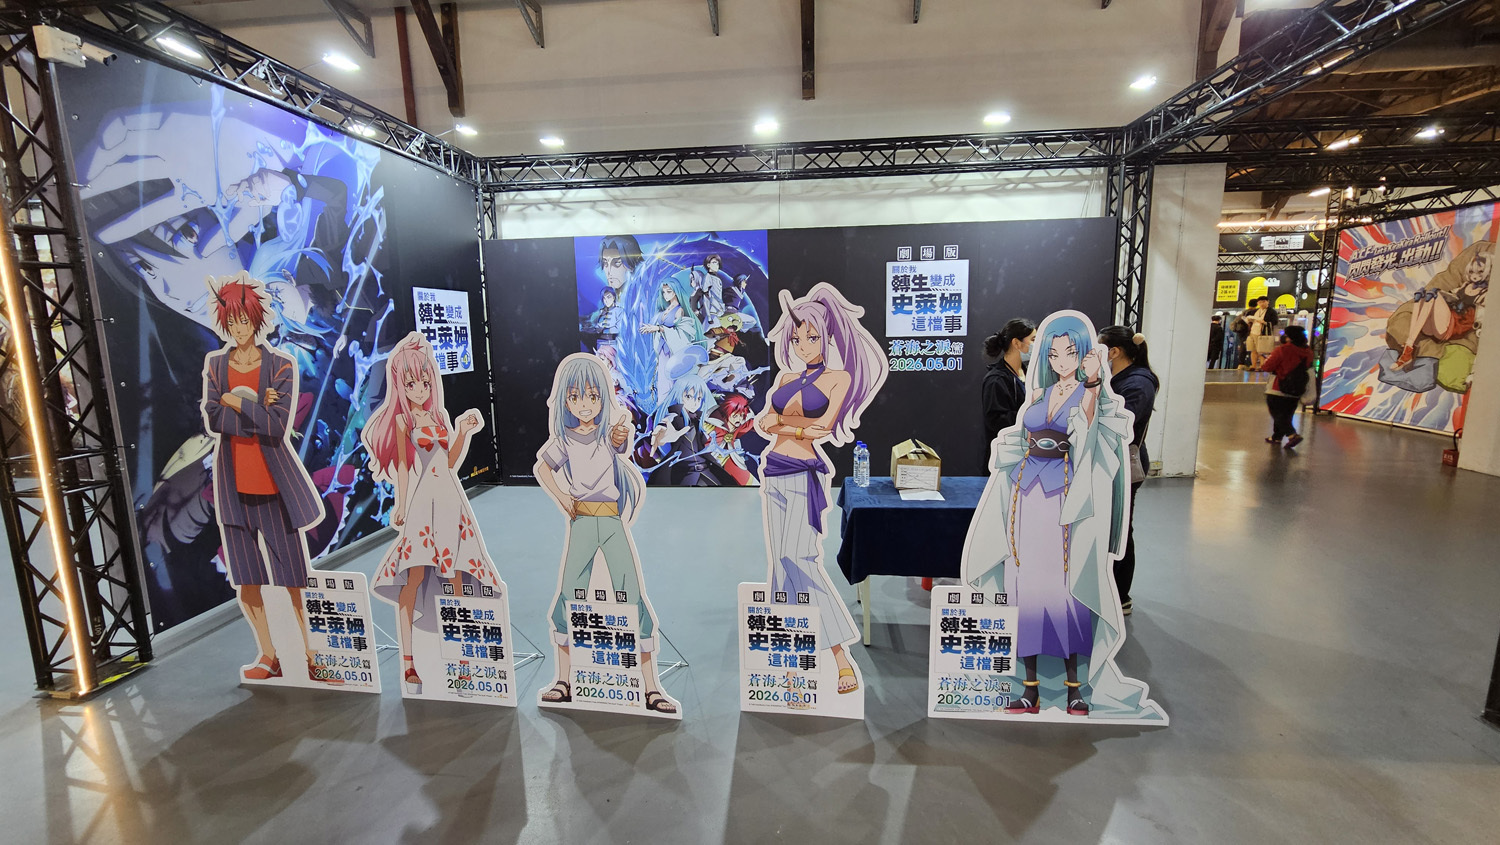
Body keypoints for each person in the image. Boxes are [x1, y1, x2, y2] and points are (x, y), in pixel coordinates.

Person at [962, 313, 1136, 718]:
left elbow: (1088, 433)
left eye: (1069, 353)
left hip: (1064, 496)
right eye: (1054, 354)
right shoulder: (1039, 394)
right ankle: (1030, 688)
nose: (1060, 361)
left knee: (1064, 586)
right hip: (1026, 493)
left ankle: (1075, 688)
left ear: (1083, 354)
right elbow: (1022, 434)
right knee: (1024, 585)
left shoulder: (1090, 393)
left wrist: (1093, 383)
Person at [199, 273, 336, 685]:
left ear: (257, 319)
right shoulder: (216, 365)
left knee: (293, 579)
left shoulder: (280, 364)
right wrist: (250, 408)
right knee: (247, 580)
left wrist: (235, 401)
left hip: (275, 490)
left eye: (245, 320)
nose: (239, 328)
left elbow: (277, 426)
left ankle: (313, 654)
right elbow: (213, 418)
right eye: (232, 321)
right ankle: (268, 654)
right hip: (234, 490)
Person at [757, 283, 887, 698]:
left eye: (811, 337)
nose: (803, 345)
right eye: (797, 339)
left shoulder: (838, 378)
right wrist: (788, 425)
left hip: (803, 473)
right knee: (780, 565)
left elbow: (821, 428)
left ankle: (839, 654)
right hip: (773, 472)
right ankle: (789, 654)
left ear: (827, 336)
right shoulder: (785, 377)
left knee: (799, 558)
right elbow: (762, 422)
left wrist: (784, 425)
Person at [534, 353, 677, 714]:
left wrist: (620, 434)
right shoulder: (565, 439)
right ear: (566, 401)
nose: (584, 404)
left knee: (631, 595)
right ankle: (564, 680)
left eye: (592, 396)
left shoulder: (607, 435)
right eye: (575, 397)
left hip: (611, 521)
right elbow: (543, 468)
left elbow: (619, 444)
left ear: (602, 397)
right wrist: (563, 497)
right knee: (569, 594)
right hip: (582, 520)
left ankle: (650, 687)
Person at [363, 333, 498, 695]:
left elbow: (449, 462)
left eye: (424, 381)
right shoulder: (403, 421)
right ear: (400, 385)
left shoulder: (439, 415)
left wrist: (463, 432)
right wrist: (401, 503)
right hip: (424, 503)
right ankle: (410, 663)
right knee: (414, 576)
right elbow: (403, 468)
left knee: (458, 577)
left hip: (449, 499)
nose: (419, 389)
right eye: (411, 383)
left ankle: (462, 660)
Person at [1098, 327, 1158, 618]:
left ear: (1114, 352)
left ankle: (1120, 594)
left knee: (1119, 529)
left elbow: (1123, 427)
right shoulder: (1119, 378)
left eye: (1100, 348)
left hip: (1123, 464)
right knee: (1107, 526)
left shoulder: (1138, 383)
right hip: (1109, 462)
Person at [981, 318, 1037, 462]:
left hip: (1029, 455)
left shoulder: (1030, 374)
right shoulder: (996, 380)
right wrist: (1031, 413)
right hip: (1006, 459)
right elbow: (997, 422)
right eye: (1033, 340)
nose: (1037, 345)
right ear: (1016, 343)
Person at [1261, 325, 1314, 448]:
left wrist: (1265, 360)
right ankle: (1277, 437)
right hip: (1297, 387)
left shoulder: (1283, 349)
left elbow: (1267, 367)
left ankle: (1292, 435)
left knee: (1277, 413)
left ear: (1289, 337)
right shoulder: (1308, 352)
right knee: (1287, 414)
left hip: (1278, 387)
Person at [1244, 296, 1278, 369]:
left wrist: (1264, 322)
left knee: (1262, 350)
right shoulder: (1254, 311)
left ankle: (1262, 366)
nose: (1262, 304)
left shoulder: (1271, 311)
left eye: (1263, 302)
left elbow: (1274, 322)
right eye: (1260, 302)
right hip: (1252, 332)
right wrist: (1249, 321)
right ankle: (1253, 365)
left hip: (1263, 333)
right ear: (1257, 303)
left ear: (1268, 302)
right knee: (1253, 349)